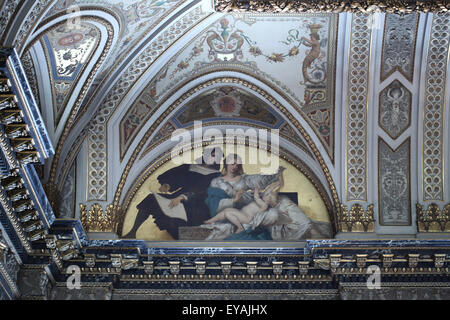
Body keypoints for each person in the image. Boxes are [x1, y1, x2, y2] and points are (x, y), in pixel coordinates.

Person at [122, 147, 223, 239]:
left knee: (183, 226)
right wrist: (167, 184)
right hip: (177, 197)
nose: (213, 158)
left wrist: (184, 196)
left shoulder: (217, 176)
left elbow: (207, 191)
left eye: (216, 157)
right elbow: (174, 177)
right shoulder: (189, 167)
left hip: (199, 204)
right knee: (151, 198)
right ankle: (133, 232)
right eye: (211, 155)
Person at [204, 182, 284, 233]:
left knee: (228, 213)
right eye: (265, 193)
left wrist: (256, 190)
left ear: (269, 200)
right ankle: (212, 220)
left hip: (246, 218)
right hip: (242, 214)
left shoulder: (264, 205)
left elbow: (256, 197)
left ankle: (240, 227)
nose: (264, 195)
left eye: (266, 195)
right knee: (226, 210)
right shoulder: (263, 202)